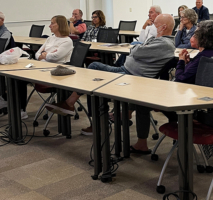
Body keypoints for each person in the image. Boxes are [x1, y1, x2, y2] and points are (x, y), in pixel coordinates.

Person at [46, 14, 176, 143]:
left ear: (163, 27)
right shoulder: (157, 39)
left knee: (93, 69)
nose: (152, 26)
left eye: (155, 24)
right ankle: (76, 106)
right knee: (92, 78)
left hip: (132, 77)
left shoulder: (164, 44)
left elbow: (136, 51)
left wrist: (136, 49)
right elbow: (138, 48)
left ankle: (72, 104)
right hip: (127, 72)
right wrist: (137, 48)